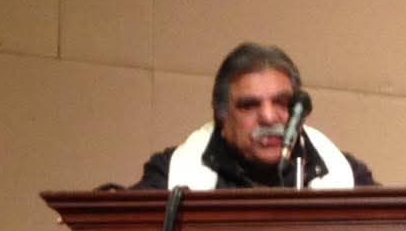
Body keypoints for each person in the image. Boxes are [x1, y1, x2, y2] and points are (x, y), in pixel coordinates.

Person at [135, 42, 374, 190]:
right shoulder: (171, 173)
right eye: (249, 106)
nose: (269, 117)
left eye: (281, 102)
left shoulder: (346, 175)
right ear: (222, 119)